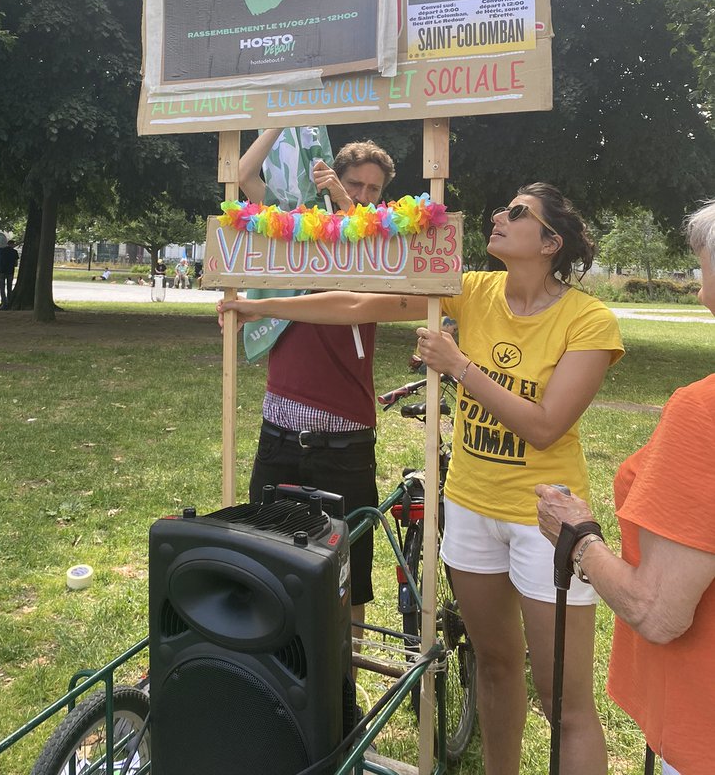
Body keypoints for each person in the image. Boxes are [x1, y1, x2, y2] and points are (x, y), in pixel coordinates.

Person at [220, 183, 623, 774]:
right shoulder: (472, 289)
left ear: (550, 242)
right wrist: (262, 307)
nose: (498, 216)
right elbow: (361, 305)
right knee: (495, 664)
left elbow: (545, 426)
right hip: (468, 506)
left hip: (546, 520)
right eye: (502, 208)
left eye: (517, 213)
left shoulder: (588, 319)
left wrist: (460, 366)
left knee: (561, 698)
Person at [537, 199, 715, 775]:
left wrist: (579, 539)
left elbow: (658, 610)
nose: (697, 285)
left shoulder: (703, 412)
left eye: (701, 264)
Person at [234, 130, 397, 633]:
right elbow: (242, 177)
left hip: (342, 438)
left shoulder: (382, 237)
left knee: (347, 578)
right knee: (266, 560)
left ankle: (343, 689)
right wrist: (278, 121)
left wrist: (348, 202)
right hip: (278, 429)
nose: (365, 195)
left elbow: (371, 246)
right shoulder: (296, 224)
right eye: (355, 183)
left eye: (374, 189)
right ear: (325, 178)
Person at [0, 237, 19, 308]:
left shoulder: (2, 251)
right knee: (9, 288)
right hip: (10, 271)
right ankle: (9, 302)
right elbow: (16, 264)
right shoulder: (14, 252)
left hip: (1, 270)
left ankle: (4, 303)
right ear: (13, 245)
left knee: (2, 288)